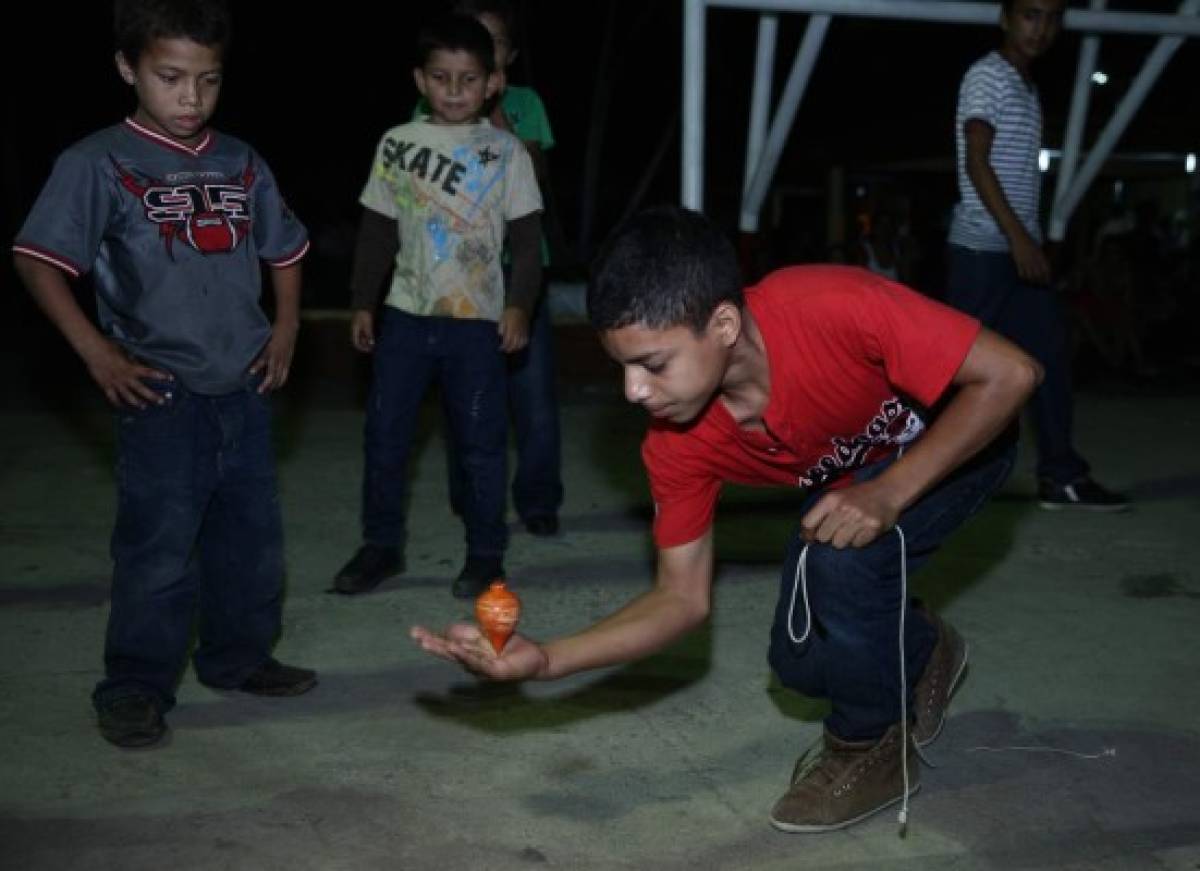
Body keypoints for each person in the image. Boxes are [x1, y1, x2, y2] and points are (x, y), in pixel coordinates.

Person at [412, 206, 1040, 832]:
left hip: (962, 439)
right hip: (857, 483)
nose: (633, 391)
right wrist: (546, 660)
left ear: (723, 324)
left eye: (652, 364)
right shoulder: (677, 440)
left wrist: (891, 491)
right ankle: (923, 645)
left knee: (839, 566)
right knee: (800, 663)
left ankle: (870, 748)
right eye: (622, 367)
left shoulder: (830, 304)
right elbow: (680, 599)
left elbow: (1011, 374)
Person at [11, 0, 317, 749]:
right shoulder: (98, 161)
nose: (191, 98)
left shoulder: (240, 160)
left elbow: (287, 251)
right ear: (128, 69)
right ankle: (135, 685)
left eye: (208, 80)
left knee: (250, 540)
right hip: (160, 390)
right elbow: (37, 260)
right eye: (171, 77)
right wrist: (96, 351)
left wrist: (286, 326)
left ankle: (238, 656)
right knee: (158, 546)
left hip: (243, 385)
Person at [332, 13, 543, 600]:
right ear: (420, 80)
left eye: (468, 79)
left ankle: (484, 554)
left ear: (492, 82)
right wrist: (362, 303)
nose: (454, 91)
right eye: (442, 78)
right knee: (385, 436)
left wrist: (519, 306)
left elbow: (528, 244)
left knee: (478, 443)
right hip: (405, 316)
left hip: (476, 326)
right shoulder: (398, 144)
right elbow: (376, 230)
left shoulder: (506, 153)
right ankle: (379, 547)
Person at [945, 0, 1128, 511]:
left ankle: (1061, 475)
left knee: (1048, 360)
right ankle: (905, 473)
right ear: (1005, 17)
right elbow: (977, 161)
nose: (1040, 28)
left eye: (1051, 17)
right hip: (982, 251)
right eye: (1029, 14)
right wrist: (1020, 238)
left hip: (1014, 252)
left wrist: (1030, 237)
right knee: (947, 372)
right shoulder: (988, 75)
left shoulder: (1024, 85)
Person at [437, 0, 564, 537]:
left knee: (533, 397)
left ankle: (538, 499)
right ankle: (471, 497)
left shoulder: (526, 103)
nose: (481, 55)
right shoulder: (431, 106)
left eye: (492, 45)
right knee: (462, 394)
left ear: (507, 56)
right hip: (458, 274)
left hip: (521, 270)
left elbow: (533, 180)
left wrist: (493, 112)